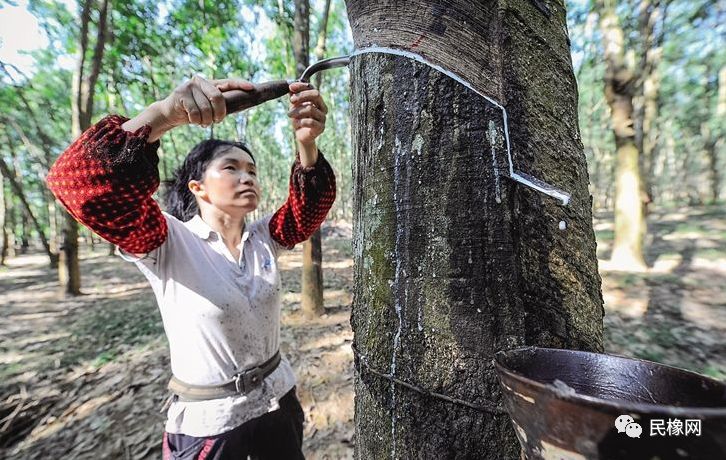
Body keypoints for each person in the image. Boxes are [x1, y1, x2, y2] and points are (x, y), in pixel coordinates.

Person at [46, 75, 336, 459]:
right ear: (197, 187)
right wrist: (164, 114)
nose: (246, 176)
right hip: (210, 426)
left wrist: (307, 144)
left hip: (278, 404)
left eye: (251, 169)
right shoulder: (166, 240)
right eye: (230, 168)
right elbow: (79, 184)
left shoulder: (264, 237)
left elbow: (309, 205)